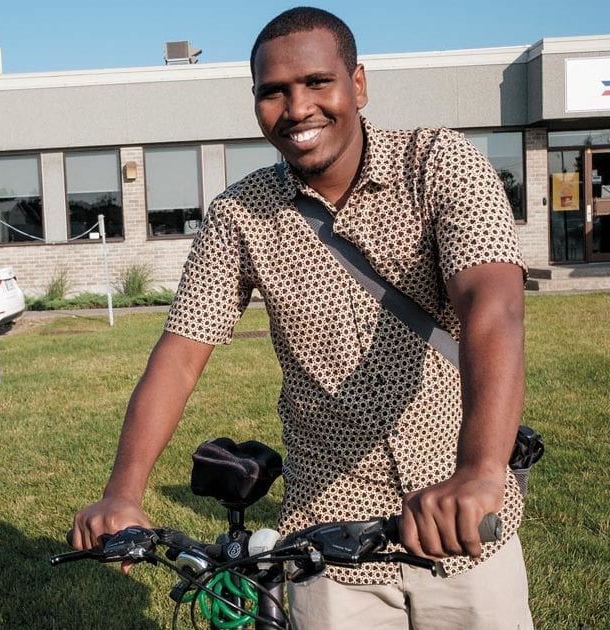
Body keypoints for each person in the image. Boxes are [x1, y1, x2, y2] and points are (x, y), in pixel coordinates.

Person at [71, 6, 533, 628]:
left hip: (461, 526)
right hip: (327, 545)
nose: (297, 108)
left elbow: (493, 305)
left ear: (358, 85)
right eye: (273, 92)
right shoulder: (240, 213)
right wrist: (123, 493)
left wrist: (478, 473)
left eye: (317, 82)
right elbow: (180, 355)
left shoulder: (437, 164)